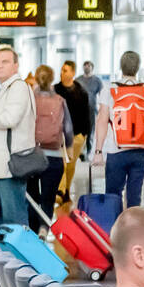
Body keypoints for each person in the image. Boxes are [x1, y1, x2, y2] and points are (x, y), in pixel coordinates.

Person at [92, 50, 144, 209]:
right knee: (134, 198)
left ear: (121, 67)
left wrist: (98, 152)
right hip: (140, 152)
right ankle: (132, 231)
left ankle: (115, 231)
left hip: (116, 151)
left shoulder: (110, 90)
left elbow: (102, 121)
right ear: (138, 68)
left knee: (113, 196)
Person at [0, 47, 35, 236]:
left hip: (10, 167)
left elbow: (9, 119)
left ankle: (19, 260)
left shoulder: (18, 87)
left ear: (16, 65)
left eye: (5, 62)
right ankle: (1, 254)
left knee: (14, 218)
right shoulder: (7, 88)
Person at [27, 65, 73, 233]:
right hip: (54, 156)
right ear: (52, 79)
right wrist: (69, 149)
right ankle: (44, 228)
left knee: (32, 197)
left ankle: (32, 231)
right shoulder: (60, 100)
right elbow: (68, 129)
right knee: (48, 198)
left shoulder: (29, 99)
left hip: (31, 155)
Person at [53, 60, 90, 203]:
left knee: (70, 166)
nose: (62, 73)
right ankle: (60, 191)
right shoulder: (55, 90)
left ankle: (66, 190)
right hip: (60, 135)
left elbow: (87, 114)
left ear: (73, 73)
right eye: (62, 70)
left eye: (66, 70)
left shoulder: (81, 92)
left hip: (77, 135)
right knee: (62, 163)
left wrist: (85, 134)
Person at [76, 61, 103, 155]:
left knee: (91, 131)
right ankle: (80, 152)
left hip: (92, 109)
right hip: (80, 110)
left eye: (89, 65)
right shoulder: (78, 79)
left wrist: (102, 108)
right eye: (85, 65)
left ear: (92, 67)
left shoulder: (97, 80)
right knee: (80, 131)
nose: (86, 67)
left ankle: (89, 152)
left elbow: (102, 94)